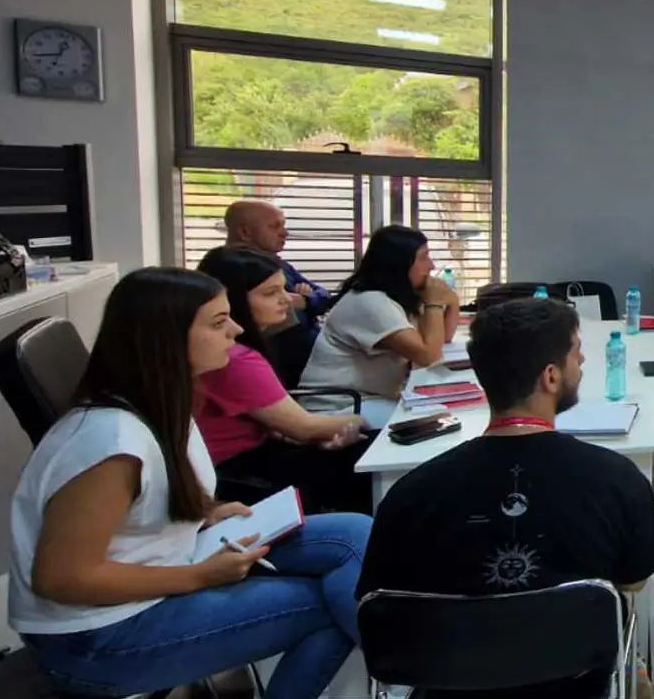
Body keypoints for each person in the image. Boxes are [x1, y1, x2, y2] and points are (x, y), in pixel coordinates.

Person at [8, 268, 370, 699]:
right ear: (166, 339)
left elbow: (144, 499)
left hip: (161, 569)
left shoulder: (164, 403)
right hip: (96, 638)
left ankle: (408, 669)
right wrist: (199, 577)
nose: (236, 330)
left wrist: (205, 511)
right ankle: (409, 670)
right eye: (218, 323)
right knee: (328, 603)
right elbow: (62, 578)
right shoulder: (108, 442)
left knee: (354, 532)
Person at [358, 299, 654, 698]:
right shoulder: (617, 480)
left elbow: (383, 605)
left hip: (451, 685)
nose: (582, 359)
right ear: (550, 376)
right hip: (576, 681)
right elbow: (634, 581)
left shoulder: (410, 494)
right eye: (576, 350)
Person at [195, 246, 373, 515]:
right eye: (270, 293)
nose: (286, 299)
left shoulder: (248, 347)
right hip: (239, 474)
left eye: (284, 289)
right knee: (370, 449)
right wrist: (359, 421)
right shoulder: (236, 359)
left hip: (246, 459)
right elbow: (304, 428)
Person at [300, 225, 460, 428]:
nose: (431, 265)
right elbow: (428, 356)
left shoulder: (394, 298)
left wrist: (451, 300)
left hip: (369, 399)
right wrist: (434, 303)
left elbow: (442, 338)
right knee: (442, 418)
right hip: (338, 407)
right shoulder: (370, 301)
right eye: (423, 257)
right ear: (399, 264)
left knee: (445, 414)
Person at [225, 200, 329, 384]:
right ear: (245, 232)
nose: (284, 233)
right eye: (274, 226)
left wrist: (306, 301)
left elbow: (324, 297)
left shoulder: (279, 265)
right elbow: (289, 327)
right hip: (285, 376)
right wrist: (303, 307)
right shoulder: (231, 270)